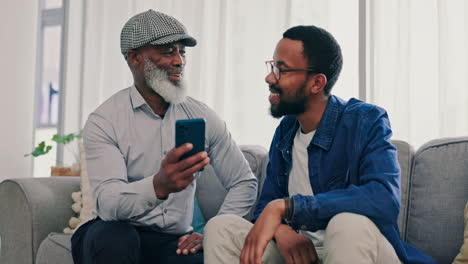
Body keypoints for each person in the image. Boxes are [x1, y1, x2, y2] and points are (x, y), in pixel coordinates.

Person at [203, 25, 437, 264]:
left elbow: (384, 199)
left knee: (346, 223)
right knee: (222, 228)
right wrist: (281, 230)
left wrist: (289, 207)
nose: (270, 77)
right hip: (302, 256)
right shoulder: (286, 131)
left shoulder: (364, 120)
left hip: (360, 249)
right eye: (272, 66)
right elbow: (267, 204)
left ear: (316, 83)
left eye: (281, 70)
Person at [71, 9, 258, 264]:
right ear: (134, 57)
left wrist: (215, 232)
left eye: (182, 51)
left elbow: (243, 182)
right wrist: (159, 185)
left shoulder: (202, 115)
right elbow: (108, 202)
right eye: (168, 51)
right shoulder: (105, 120)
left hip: (173, 240)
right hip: (114, 230)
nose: (179, 60)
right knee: (115, 238)